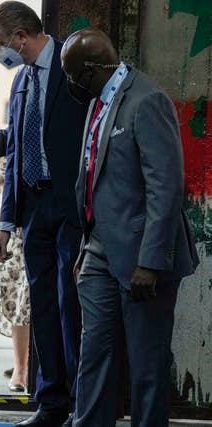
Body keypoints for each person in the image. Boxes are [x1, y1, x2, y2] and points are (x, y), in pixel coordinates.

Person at [61, 29, 199, 427]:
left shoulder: (147, 100)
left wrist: (152, 262)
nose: (71, 85)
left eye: (72, 76)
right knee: (95, 357)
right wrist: (87, 248)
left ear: (89, 71)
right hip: (100, 252)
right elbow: (94, 177)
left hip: (143, 258)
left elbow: (166, 187)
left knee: (146, 365)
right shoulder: (99, 102)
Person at [0, 2, 89, 425]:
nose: (1, 52)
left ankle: (80, 405)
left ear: (20, 37)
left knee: (71, 305)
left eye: (1, 43)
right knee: (42, 308)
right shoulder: (20, 82)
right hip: (33, 208)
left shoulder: (74, 70)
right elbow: (17, 151)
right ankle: (51, 403)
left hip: (70, 205)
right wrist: (5, 223)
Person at [0, 157, 30, 393]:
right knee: (19, 304)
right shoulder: (10, 143)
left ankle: (32, 365)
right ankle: (20, 368)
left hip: (48, 226)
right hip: (17, 233)